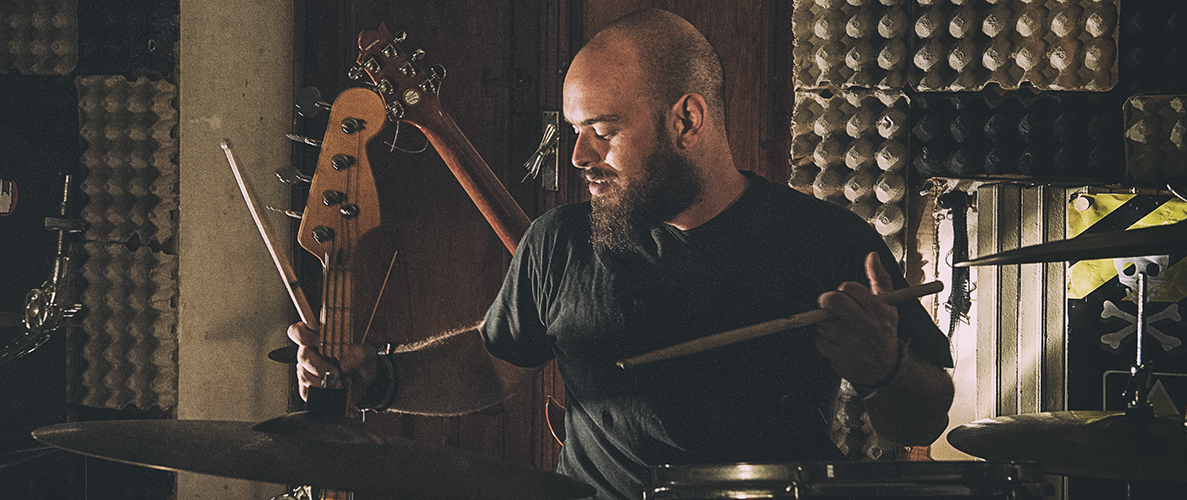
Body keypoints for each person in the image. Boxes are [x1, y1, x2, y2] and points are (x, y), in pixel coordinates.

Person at [288, 9, 954, 500]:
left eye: (601, 131)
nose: (580, 156)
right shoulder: (559, 241)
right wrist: (378, 377)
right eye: (575, 131)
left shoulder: (826, 242)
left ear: (686, 120)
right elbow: (492, 367)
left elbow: (923, 419)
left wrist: (885, 368)